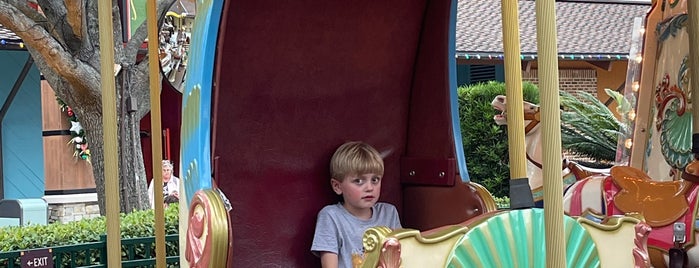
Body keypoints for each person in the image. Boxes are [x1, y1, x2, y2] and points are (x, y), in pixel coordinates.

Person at [311, 141, 401, 268]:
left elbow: (402, 256)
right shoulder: (331, 216)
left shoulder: (389, 212)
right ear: (337, 186)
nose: (369, 187)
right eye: (359, 181)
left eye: (375, 180)